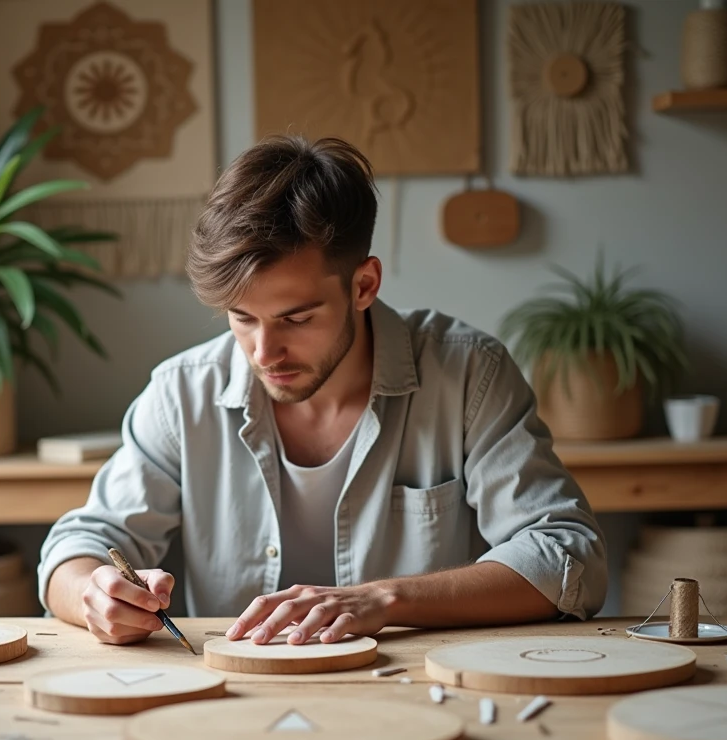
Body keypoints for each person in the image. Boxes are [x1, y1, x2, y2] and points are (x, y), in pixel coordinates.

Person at [37, 135, 607, 647]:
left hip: (414, 694)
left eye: (296, 319)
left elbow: (568, 555)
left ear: (364, 285)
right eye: (241, 317)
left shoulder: (468, 374)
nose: (263, 353)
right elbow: (82, 543)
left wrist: (383, 600)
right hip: (233, 699)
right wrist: (96, 593)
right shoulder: (183, 391)